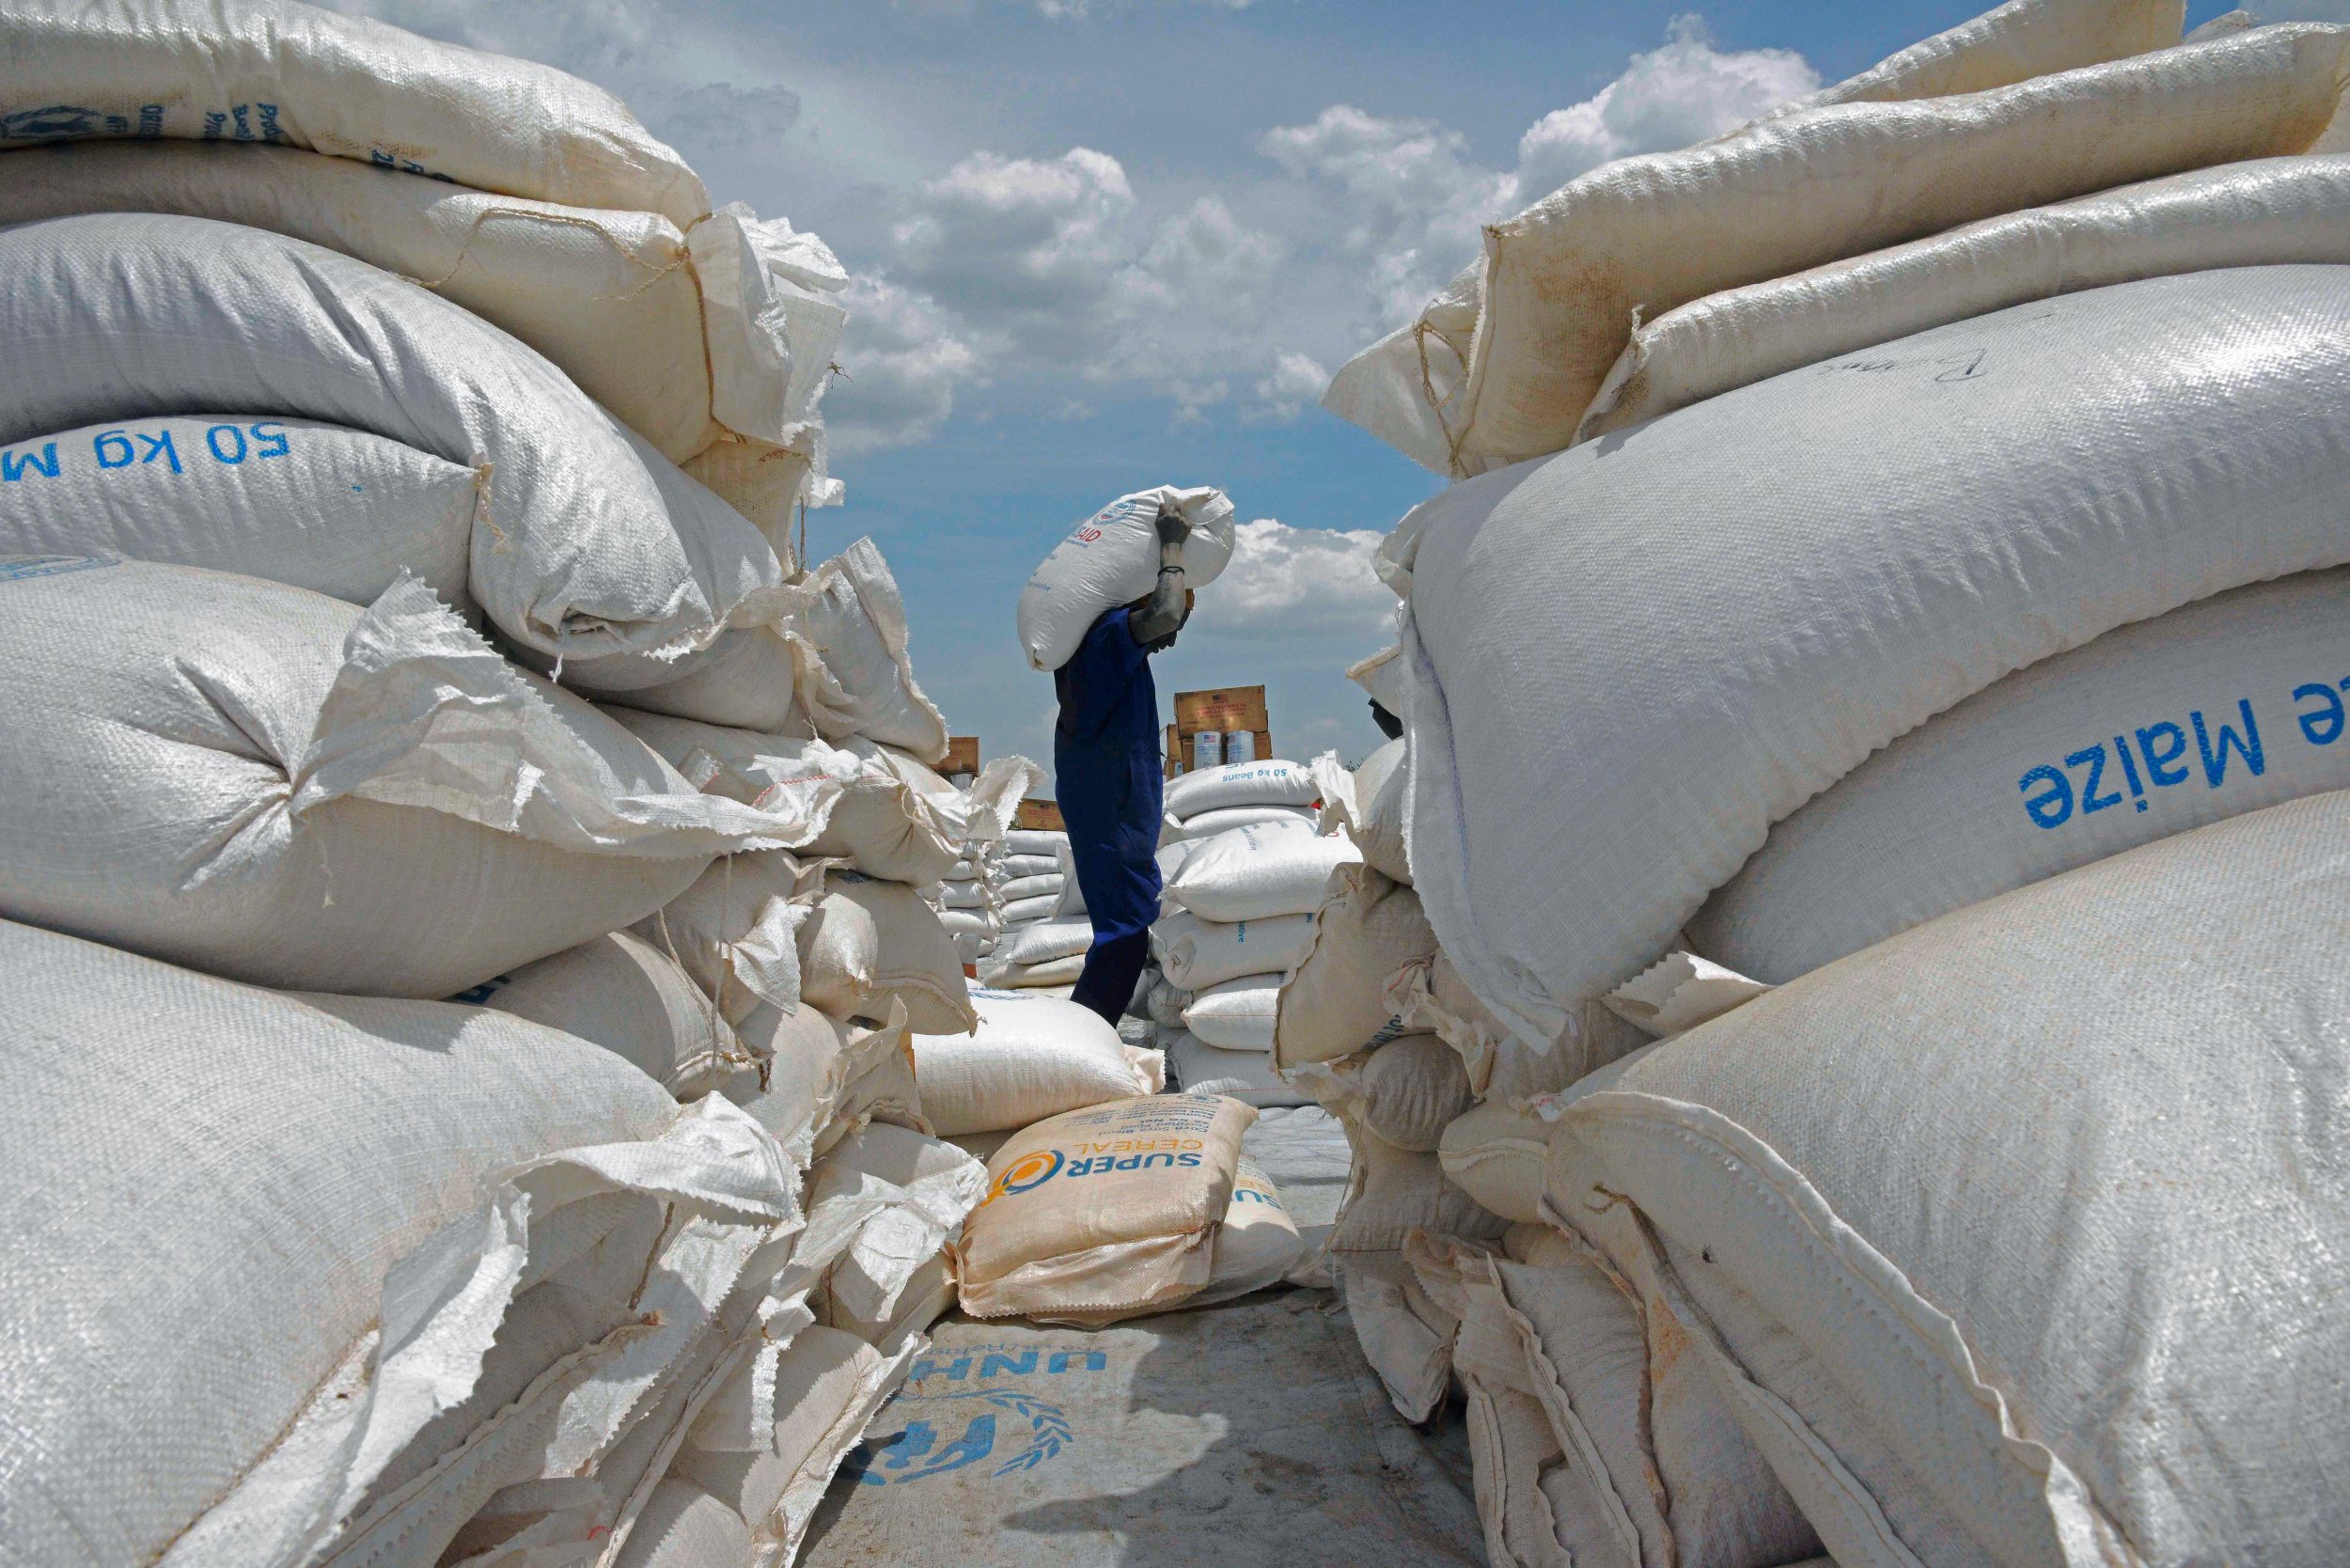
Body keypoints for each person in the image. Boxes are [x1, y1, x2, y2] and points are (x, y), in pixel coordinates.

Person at [1054, 502, 1192, 1025]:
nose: (1176, 630)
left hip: (1112, 801)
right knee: (1126, 935)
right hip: (1111, 806)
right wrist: (1172, 543)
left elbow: (1163, 621)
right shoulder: (1106, 636)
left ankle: (1082, 1039)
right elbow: (1164, 614)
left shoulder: (1111, 650)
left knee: (1126, 931)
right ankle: (1078, 1042)